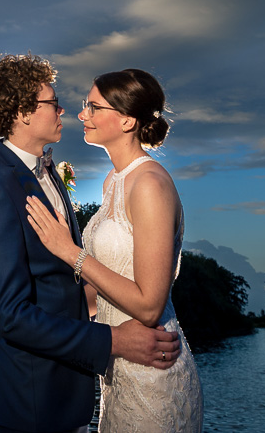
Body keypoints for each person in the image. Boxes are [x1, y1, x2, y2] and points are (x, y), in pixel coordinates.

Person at [0, 53, 181, 433]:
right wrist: (113, 340)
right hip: (33, 395)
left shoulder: (51, 172)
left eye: (91, 106)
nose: (66, 110)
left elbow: (64, 283)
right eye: (53, 102)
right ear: (23, 112)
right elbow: (11, 316)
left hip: (79, 386)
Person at [25, 68, 203, 433]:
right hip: (117, 369)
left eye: (93, 107)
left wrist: (70, 252)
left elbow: (150, 304)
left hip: (155, 372)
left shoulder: (150, 184)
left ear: (126, 121)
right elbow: (104, 290)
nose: (81, 114)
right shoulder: (113, 181)